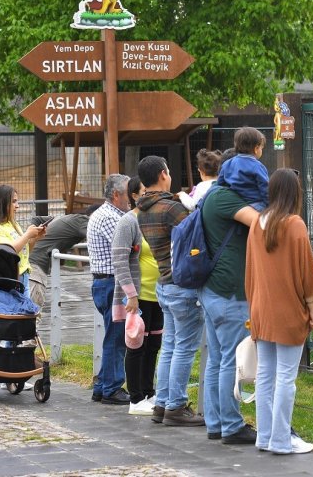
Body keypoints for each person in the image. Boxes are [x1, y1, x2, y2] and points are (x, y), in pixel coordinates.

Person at [246, 168, 313, 454]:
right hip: (288, 311)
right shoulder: (294, 224)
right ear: (295, 191)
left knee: (265, 375)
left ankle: (265, 436)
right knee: (286, 378)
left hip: (261, 309)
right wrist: (312, 309)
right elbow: (306, 275)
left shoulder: (257, 223)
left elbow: (251, 272)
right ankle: (281, 439)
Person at [135, 155, 202, 426]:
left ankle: (162, 403)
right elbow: (196, 232)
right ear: (164, 173)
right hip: (182, 284)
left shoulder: (143, 209)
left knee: (170, 346)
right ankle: (175, 405)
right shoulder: (171, 209)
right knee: (184, 348)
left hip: (163, 284)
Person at [199, 148, 260, 445]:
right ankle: (232, 426)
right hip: (228, 293)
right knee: (229, 361)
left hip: (213, 290)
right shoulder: (224, 197)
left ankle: (216, 422)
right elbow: (261, 223)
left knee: (216, 359)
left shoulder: (212, 194)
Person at [112, 177, 163, 415]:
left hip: (158, 294)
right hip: (139, 296)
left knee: (153, 345)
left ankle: (148, 392)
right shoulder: (128, 222)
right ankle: (135, 398)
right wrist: (130, 294)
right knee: (136, 345)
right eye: (144, 192)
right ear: (133, 195)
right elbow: (119, 260)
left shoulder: (153, 219)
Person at [87, 174, 131, 405]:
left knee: (113, 336)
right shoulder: (109, 217)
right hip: (111, 282)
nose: (131, 197)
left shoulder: (107, 214)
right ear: (116, 195)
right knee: (116, 338)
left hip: (105, 282)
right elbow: (128, 247)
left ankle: (102, 385)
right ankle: (111, 388)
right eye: (128, 192)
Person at [27, 205, 98, 311]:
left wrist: (36, 237)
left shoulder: (61, 217)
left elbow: (36, 219)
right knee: (32, 311)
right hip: (37, 264)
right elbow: (98, 236)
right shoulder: (85, 221)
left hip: (28, 260)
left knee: (27, 310)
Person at [0, 185, 46, 296]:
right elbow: (8, 251)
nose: (17, 206)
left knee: (26, 311)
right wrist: (27, 235)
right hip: (10, 280)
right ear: (3, 203)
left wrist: (33, 239)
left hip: (23, 276)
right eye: (14, 202)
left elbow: (24, 251)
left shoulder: (13, 224)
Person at [216, 127, 269, 211]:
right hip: (255, 204)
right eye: (261, 148)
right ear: (256, 149)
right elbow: (265, 189)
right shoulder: (257, 166)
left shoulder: (227, 163)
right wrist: (270, 205)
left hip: (235, 205)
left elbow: (220, 184)